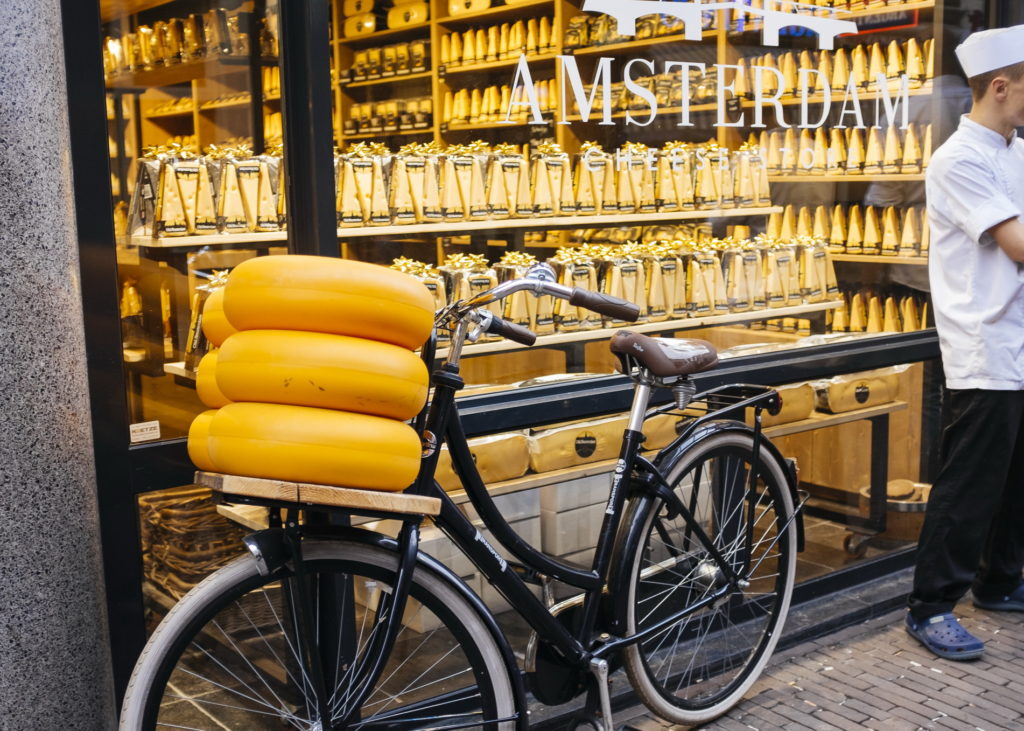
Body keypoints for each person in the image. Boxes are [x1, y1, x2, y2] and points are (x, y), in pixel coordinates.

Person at [905, 25, 1024, 661]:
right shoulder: (959, 159)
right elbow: (1019, 245)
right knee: (968, 486)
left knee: (1014, 479)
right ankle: (929, 607)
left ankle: (1000, 582)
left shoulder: (1015, 149)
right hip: (985, 342)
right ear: (1000, 87)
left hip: (1021, 339)